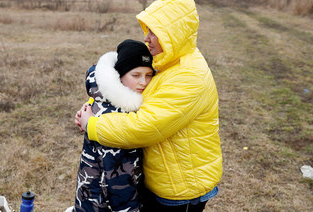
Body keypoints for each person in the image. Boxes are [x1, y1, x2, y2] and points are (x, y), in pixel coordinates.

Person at [76, 0, 222, 211]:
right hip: (166, 176)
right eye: (148, 30)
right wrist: (94, 105)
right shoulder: (168, 60)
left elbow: (144, 126)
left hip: (181, 188)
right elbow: (129, 86)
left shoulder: (189, 77)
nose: (146, 38)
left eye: (154, 32)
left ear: (174, 34)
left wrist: (93, 124)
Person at [73, 39, 154, 212]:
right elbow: (114, 176)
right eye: (136, 75)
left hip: (89, 198)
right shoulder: (114, 117)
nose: (144, 82)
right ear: (119, 76)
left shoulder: (106, 98)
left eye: (149, 75)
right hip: (102, 202)